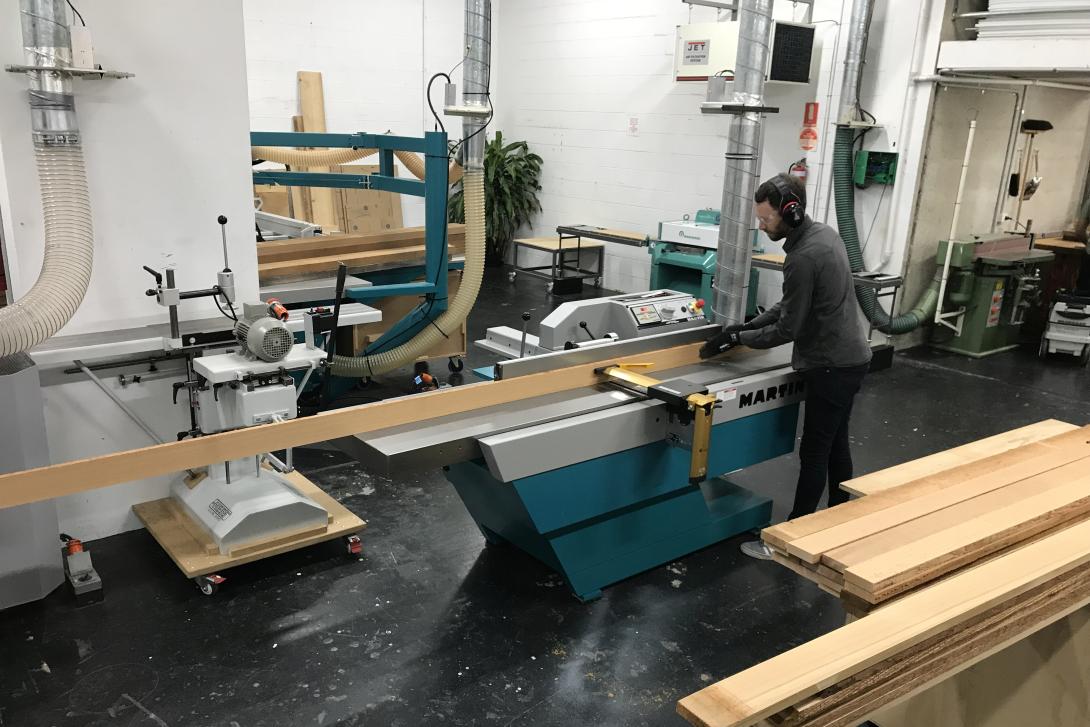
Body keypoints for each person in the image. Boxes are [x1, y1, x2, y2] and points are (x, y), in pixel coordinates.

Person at [699, 173, 872, 560]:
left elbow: (789, 327)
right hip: (852, 358)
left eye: (766, 220)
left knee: (814, 454)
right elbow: (789, 306)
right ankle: (841, 523)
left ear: (790, 213)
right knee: (835, 444)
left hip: (830, 365)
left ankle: (789, 543)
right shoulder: (823, 235)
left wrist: (739, 341)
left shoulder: (803, 257)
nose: (762, 227)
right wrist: (746, 325)